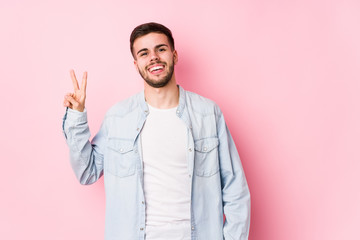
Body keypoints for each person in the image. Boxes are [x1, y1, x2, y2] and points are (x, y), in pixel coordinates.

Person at [62, 22, 250, 240]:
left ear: (174, 55)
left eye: (160, 49)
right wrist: (76, 117)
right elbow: (87, 172)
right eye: (144, 53)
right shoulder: (118, 117)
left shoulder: (208, 113)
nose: (153, 57)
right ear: (136, 64)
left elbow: (236, 189)